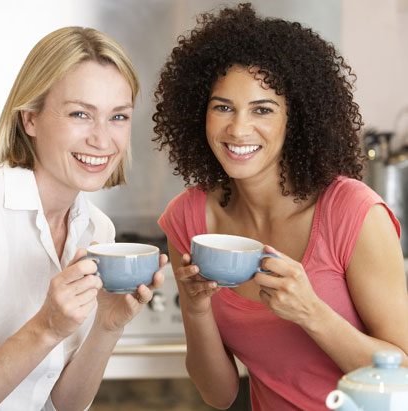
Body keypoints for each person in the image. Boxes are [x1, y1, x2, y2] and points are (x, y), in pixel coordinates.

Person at [153, 3, 408, 410]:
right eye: (223, 107)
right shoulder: (189, 219)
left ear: (296, 118)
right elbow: (218, 395)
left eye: (263, 109)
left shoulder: (353, 213)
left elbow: (403, 375)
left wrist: (311, 312)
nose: (238, 128)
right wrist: (196, 308)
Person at [0, 26, 167, 411]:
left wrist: (107, 326)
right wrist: (46, 328)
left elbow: (64, 404)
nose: (102, 139)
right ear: (30, 119)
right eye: (80, 113)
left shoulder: (97, 229)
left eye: (118, 116)